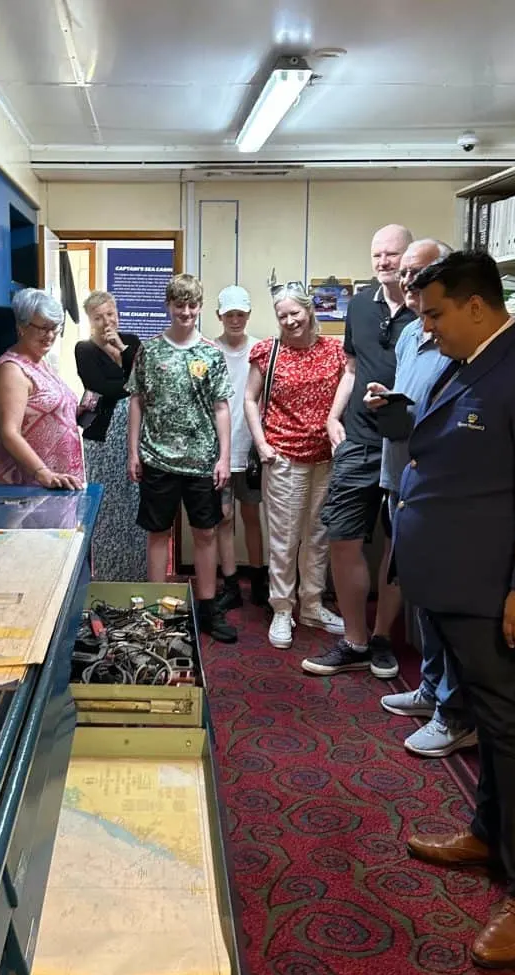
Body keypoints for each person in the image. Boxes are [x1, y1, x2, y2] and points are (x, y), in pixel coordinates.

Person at [393, 250, 515, 968]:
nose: (428, 328)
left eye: (435, 314)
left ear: (477, 304)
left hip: (500, 595)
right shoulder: (474, 361)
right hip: (458, 585)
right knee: (488, 720)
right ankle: (487, 836)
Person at [364, 239, 477, 758]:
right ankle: (433, 690)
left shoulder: (465, 345)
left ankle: (455, 712)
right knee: (424, 598)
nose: (407, 283)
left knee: (447, 600)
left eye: (417, 273)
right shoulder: (412, 334)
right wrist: (384, 401)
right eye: (403, 274)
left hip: (440, 489)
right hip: (400, 479)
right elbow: (416, 402)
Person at [302, 224, 414, 678]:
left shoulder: (427, 306)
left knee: (397, 544)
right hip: (359, 440)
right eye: (377, 255)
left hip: (409, 443)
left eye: (392, 255)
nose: (384, 262)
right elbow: (350, 368)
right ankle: (355, 640)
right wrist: (333, 416)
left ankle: (383, 636)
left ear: (409, 259)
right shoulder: (361, 305)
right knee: (343, 538)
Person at [127, 273, 237, 643]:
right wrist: (133, 452)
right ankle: (153, 610)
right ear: (168, 306)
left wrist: (224, 457)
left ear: (200, 308)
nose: (186, 312)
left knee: (205, 533)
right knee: (158, 534)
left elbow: (222, 407)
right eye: (179, 305)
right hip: (157, 458)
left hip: (202, 461)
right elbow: (136, 401)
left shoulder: (210, 353)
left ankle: (207, 609)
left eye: (192, 305)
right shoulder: (150, 350)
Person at [244, 283, 345, 649]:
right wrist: (261, 443)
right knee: (285, 540)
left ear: (310, 310)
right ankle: (282, 609)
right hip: (283, 457)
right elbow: (250, 398)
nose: (289, 321)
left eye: (295, 313)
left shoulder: (335, 351)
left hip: (325, 459)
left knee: (317, 537)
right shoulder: (267, 352)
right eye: (282, 316)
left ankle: (313, 605)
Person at [75, 290, 146, 580]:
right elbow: (101, 385)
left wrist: (121, 349)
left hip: (136, 436)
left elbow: (143, 378)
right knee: (107, 508)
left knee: (137, 503)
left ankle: (139, 574)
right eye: (98, 317)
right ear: (89, 320)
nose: (106, 321)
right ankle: (107, 577)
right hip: (101, 438)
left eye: (110, 314)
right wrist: (129, 382)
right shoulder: (84, 349)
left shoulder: (132, 340)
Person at [0, 288, 84, 490]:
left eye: (54, 328)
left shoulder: (41, 362)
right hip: (31, 487)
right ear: (22, 327)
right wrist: (43, 474)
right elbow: (9, 433)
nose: (50, 335)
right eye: (43, 328)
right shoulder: (12, 371)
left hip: (58, 483)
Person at [212, 285, 269, 610]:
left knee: (252, 514)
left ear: (248, 315)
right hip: (219, 447)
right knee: (223, 517)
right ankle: (230, 582)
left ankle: (258, 580)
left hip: (251, 447)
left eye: (241, 314)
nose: (235, 319)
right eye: (230, 314)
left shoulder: (260, 349)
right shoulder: (209, 349)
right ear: (220, 315)